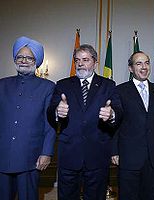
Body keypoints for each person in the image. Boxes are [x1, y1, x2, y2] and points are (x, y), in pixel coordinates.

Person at [0, 36, 56, 200]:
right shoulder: (0, 85)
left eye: (29, 57)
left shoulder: (48, 87)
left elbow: (49, 124)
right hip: (3, 154)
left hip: (30, 156)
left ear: (36, 61)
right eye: (20, 57)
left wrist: (46, 153)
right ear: (15, 59)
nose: (24, 60)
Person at [47, 44, 121, 200]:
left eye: (85, 60)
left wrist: (111, 113)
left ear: (95, 62)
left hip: (97, 154)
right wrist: (57, 112)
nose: (80, 63)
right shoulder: (63, 84)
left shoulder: (108, 85)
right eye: (77, 60)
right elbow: (51, 110)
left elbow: (119, 111)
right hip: (69, 154)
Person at [111, 51, 154, 200]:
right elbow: (115, 123)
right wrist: (114, 151)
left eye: (147, 63)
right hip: (128, 157)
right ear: (130, 68)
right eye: (139, 63)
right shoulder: (119, 91)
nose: (144, 67)